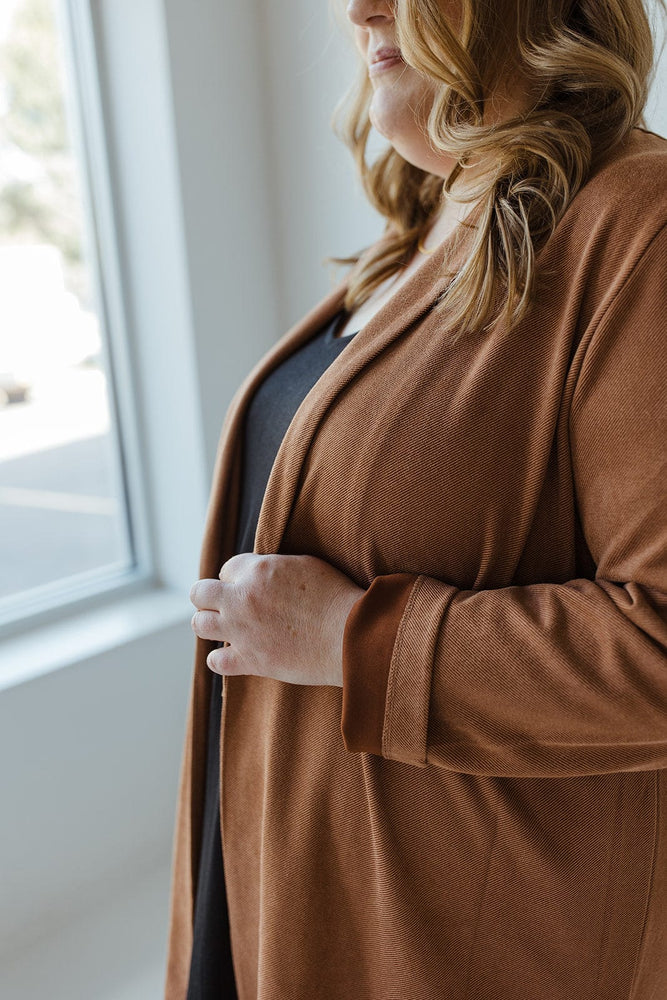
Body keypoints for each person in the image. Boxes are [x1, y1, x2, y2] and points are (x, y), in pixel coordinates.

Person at [165, 1, 667, 997]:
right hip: (277, 886)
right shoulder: (422, 232)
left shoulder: (638, 224)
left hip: (458, 951)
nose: (359, 9)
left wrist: (353, 636)